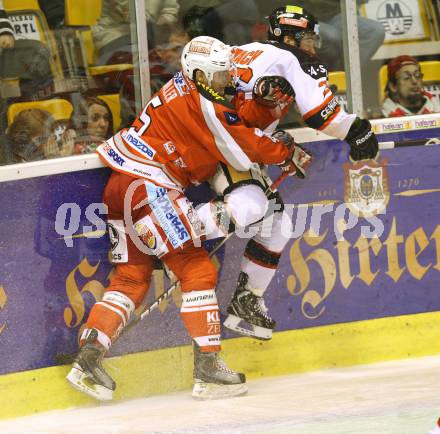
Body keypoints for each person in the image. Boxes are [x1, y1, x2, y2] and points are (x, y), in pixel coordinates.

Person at [66, 35, 309, 401]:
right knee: (197, 270)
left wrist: (262, 108)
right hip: (149, 189)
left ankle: (88, 358)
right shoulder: (205, 104)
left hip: (121, 188)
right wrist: (282, 147)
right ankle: (208, 368)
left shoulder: (186, 87)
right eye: (220, 75)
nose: (226, 81)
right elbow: (243, 147)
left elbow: (232, 123)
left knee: (131, 279)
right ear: (199, 74)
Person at [220, 5, 379, 341]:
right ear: (289, 37)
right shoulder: (293, 60)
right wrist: (359, 132)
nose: (313, 46)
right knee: (261, 220)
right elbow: (323, 115)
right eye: (308, 38)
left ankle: (246, 302)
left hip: (211, 145)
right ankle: (186, 238)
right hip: (230, 154)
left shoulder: (239, 51)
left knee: (278, 224)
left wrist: (272, 140)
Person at [4, 108, 74, 163]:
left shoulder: (42, 153)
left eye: (53, 135)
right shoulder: (21, 166)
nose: (51, 141)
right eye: (42, 139)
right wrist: (57, 160)